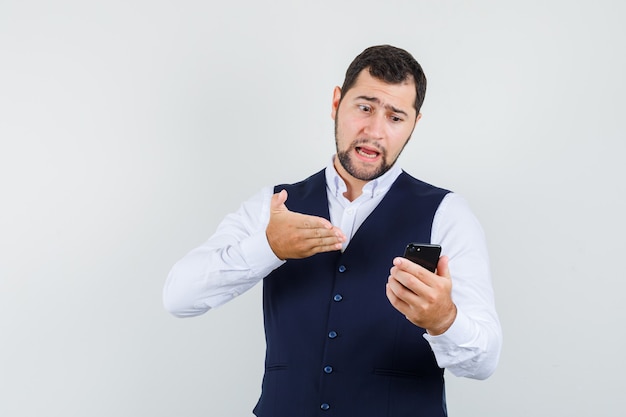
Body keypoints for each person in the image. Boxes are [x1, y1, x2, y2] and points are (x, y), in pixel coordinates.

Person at [164, 44, 502, 417]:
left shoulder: (447, 214)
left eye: (395, 117)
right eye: (365, 107)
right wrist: (267, 247)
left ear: (414, 125)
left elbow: (484, 361)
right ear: (336, 102)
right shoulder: (274, 204)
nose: (374, 131)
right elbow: (179, 298)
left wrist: (444, 320)